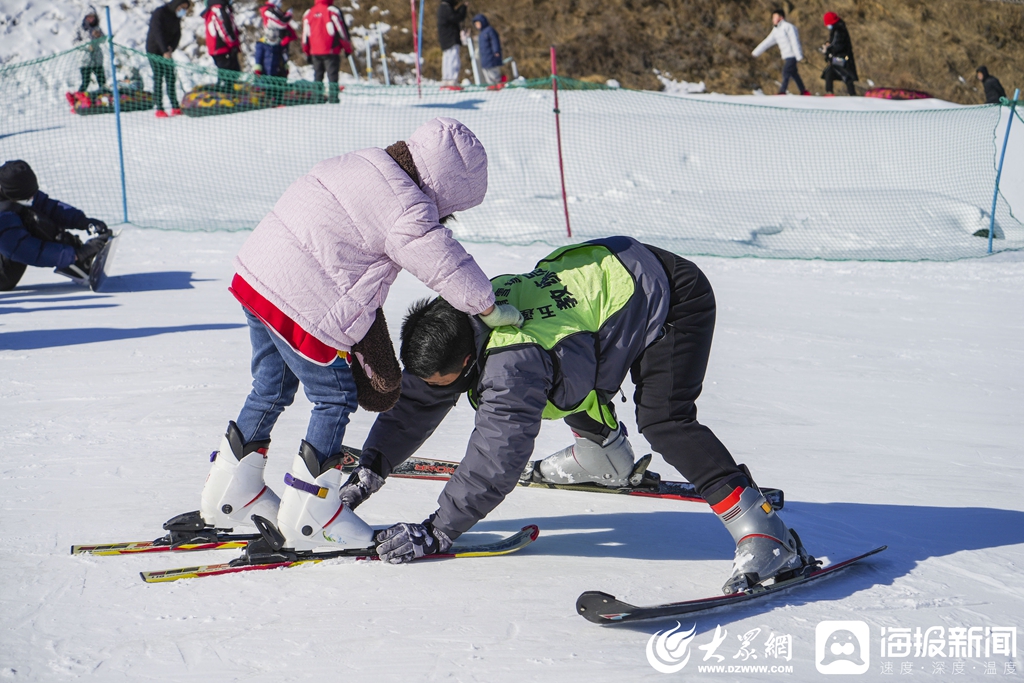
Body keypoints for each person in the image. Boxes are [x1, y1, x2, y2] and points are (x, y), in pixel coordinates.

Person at [348, 236, 809, 595]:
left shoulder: (512, 362)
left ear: (467, 361)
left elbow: (497, 456)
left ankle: (764, 531)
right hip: (607, 291)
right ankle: (602, 456)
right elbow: (418, 401)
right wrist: (371, 468)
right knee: (567, 374)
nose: (434, 389)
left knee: (665, 420)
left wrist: (438, 531)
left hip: (670, 296)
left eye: (442, 380)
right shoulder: (465, 311)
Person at [193, 118, 523, 554]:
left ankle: (232, 492)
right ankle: (312, 514)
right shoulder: (408, 207)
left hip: (258, 277)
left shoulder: (359, 161)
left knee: (270, 387)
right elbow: (445, 263)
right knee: (333, 397)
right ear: (445, 187)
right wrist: (487, 306)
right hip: (303, 301)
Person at [0, 160, 111, 291]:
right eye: (28, 197)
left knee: (33, 215)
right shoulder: (3, 215)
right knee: (32, 221)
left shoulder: (13, 191)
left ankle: (76, 258)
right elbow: (22, 249)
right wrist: (75, 255)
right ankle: (77, 261)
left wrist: (83, 221)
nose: (32, 198)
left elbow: (49, 207)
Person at [146, 0, 191, 117]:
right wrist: (164, 50)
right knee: (158, 76)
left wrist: (171, 48)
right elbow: (157, 32)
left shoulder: (176, 17)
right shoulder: (160, 13)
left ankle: (175, 106)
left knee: (170, 76)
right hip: (154, 49)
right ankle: (159, 108)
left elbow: (177, 34)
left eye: (185, 8)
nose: (183, 10)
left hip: (167, 50)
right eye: (182, 7)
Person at [302, 0, 352, 104]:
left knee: (317, 76)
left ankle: (317, 99)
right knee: (332, 76)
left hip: (314, 51)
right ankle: (333, 99)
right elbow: (342, 31)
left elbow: (305, 35)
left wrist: (307, 51)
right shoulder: (332, 11)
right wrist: (347, 48)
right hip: (331, 51)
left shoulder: (309, 12)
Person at [751, 8, 809, 96]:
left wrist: (799, 55)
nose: (773, 19)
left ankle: (782, 91)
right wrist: (755, 52)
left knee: (786, 72)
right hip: (786, 55)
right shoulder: (776, 31)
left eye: (775, 17)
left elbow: (795, 41)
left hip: (792, 55)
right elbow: (767, 42)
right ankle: (804, 91)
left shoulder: (789, 27)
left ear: (781, 18)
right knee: (794, 74)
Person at [202, 0, 241, 90]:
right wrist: (232, 44)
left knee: (226, 72)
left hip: (219, 47)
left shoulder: (218, 9)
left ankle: (226, 87)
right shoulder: (218, 10)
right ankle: (227, 90)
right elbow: (224, 28)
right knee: (228, 72)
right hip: (221, 47)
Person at [255, 0, 297, 79]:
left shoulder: (279, 46)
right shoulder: (262, 45)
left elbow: (283, 57)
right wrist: (257, 69)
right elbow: (258, 59)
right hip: (265, 76)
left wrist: (285, 67)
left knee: (280, 63)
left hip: (279, 44)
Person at [820, 12, 858, 96]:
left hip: (843, 59)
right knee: (830, 72)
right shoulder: (836, 30)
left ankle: (852, 94)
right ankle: (829, 92)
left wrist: (827, 49)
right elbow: (834, 43)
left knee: (845, 75)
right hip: (839, 58)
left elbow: (837, 46)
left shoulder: (839, 31)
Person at [73, 7, 106, 93]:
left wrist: (99, 36)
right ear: (85, 17)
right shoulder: (79, 28)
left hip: (97, 59)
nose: (91, 19)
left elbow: (103, 40)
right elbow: (75, 43)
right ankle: (78, 97)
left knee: (102, 81)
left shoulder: (97, 27)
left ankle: (104, 96)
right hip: (85, 60)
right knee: (86, 82)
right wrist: (87, 45)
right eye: (89, 17)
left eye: (93, 17)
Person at [437, 0, 467, 89]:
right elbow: (456, 18)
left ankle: (446, 79)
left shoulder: (443, 7)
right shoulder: (445, 8)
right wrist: (463, 8)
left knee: (447, 58)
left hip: (445, 39)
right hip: (451, 38)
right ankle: (451, 80)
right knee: (453, 59)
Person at [472, 14, 502, 86]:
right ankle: (491, 85)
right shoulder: (481, 34)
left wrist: (496, 51)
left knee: (493, 71)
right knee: (486, 72)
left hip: (491, 56)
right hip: (484, 57)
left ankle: (497, 83)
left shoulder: (490, 30)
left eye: (478, 23)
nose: (477, 25)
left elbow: (495, 41)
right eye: (476, 24)